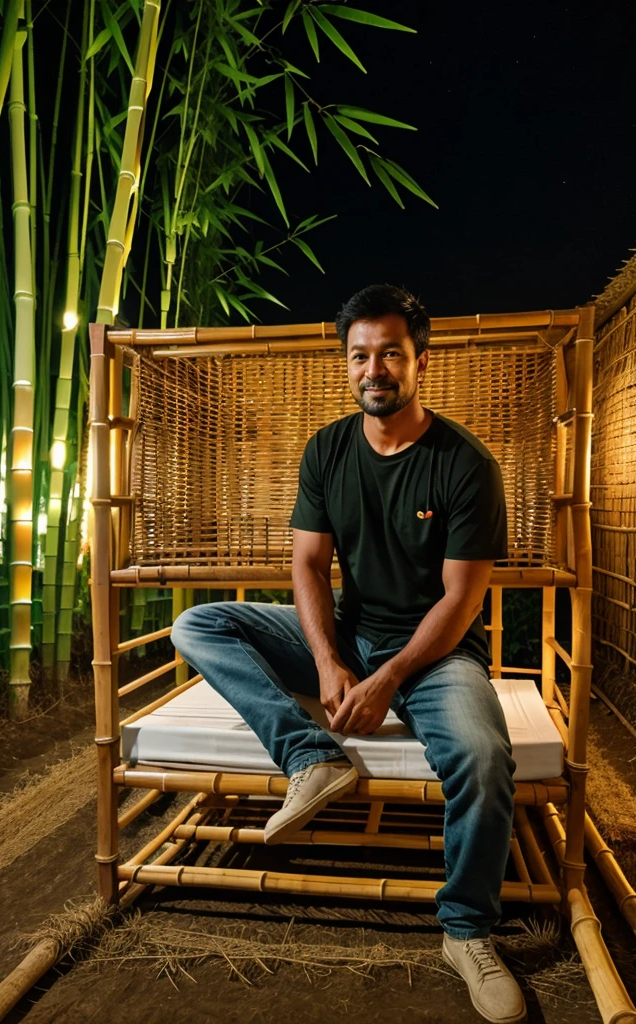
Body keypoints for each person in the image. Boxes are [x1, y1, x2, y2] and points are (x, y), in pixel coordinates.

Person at [171, 284, 525, 1024]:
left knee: (485, 757)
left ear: (419, 361)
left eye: (390, 354)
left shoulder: (464, 464)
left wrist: (388, 676)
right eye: (360, 356)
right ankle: (310, 757)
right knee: (201, 624)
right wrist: (332, 666)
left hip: (433, 652)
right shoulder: (327, 449)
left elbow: (460, 601)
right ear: (347, 365)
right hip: (349, 631)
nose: (375, 370)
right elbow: (306, 567)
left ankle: (467, 931)